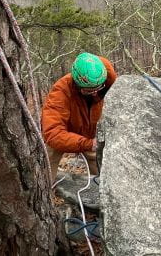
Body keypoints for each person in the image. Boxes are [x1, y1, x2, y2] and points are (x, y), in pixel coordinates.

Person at [42, 52, 117, 180]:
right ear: (76, 84)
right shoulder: (61, 92)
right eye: (88, 90)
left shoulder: (106, 75)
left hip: (92, 130)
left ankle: (102, 189)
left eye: (98, 89)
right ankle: (45, 192)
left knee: (100, 167)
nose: (94, 94)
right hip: (65, 132)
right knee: (48, 159)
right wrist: (88, 144)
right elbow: (52, 133)